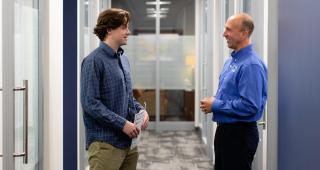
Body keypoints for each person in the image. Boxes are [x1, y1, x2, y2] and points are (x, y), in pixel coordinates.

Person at [80, 8, 149, 170]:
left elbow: (127, 97)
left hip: (129, 143)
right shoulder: (93, 61)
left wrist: (141, 110)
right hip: (106, 144)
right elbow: (90, 104)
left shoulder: (123, 59)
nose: (128, 32)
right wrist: (122, 124)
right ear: (109, 29)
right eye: (124, 27)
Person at [200, 13, 267, 170]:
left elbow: (251, 105)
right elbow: (229, 93)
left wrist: (216, 105)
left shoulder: (251, 65)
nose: (224, 34)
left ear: (244, 33)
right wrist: (214, 100)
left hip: (240, 136)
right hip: (225, 132)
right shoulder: (231, 61)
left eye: (228, 30)